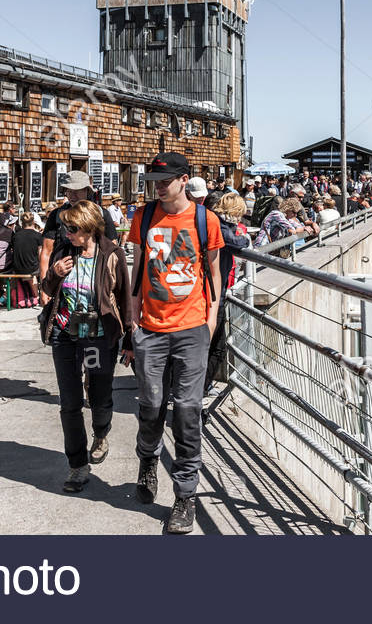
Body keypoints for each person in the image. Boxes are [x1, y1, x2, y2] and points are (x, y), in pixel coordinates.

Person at [124, 151, 223, 534]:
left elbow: (214, 273)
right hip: (150, 326)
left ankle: (185, 495)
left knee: (186, 409)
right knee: (150, 404)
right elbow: (137, 268)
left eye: (165, 181)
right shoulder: (143, 217)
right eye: (154, 182)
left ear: (185, 180)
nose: (159, 188)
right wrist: (134, 318)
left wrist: (210, 321)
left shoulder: (205, 219)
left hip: (192, 326)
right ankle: (148, 459)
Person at [38, 200, 130, 493]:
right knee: (70, 403)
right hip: (65, 334)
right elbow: (47, 290)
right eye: (65, 227)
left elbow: (125, 298)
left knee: (99, 395)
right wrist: (54, 273)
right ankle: (77, 465)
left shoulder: (112, 255)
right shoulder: (65, 251)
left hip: (97, 336)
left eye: (73, 228)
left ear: (90, 228)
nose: (67, 233)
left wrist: (129, 339)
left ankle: (101, 432)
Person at [40, 170, 119, 296]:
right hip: (62, 276)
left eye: (77, 191)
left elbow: (113, 248)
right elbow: (46, 251)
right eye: (69, 191)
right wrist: (44, 288)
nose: (72, 195)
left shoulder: (101, 214)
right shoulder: (57, 215)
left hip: (95, 278)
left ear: (87, 191)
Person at [208, 191, 249, 394]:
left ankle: (198, 389)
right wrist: (243, 238)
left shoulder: (215, 221)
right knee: (215, 346)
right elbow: (236, 242)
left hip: (214, 289)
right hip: (214, 293)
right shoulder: (219, 225)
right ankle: (199, 390)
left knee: (216, 345)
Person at [9, 211, 42, 307]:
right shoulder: (38, 236)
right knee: (34, 272)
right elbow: (40, 255)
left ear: (21, 223)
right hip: (31, 268)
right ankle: (36, 297)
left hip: (17, 268)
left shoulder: (16, 235)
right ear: (33, 222)